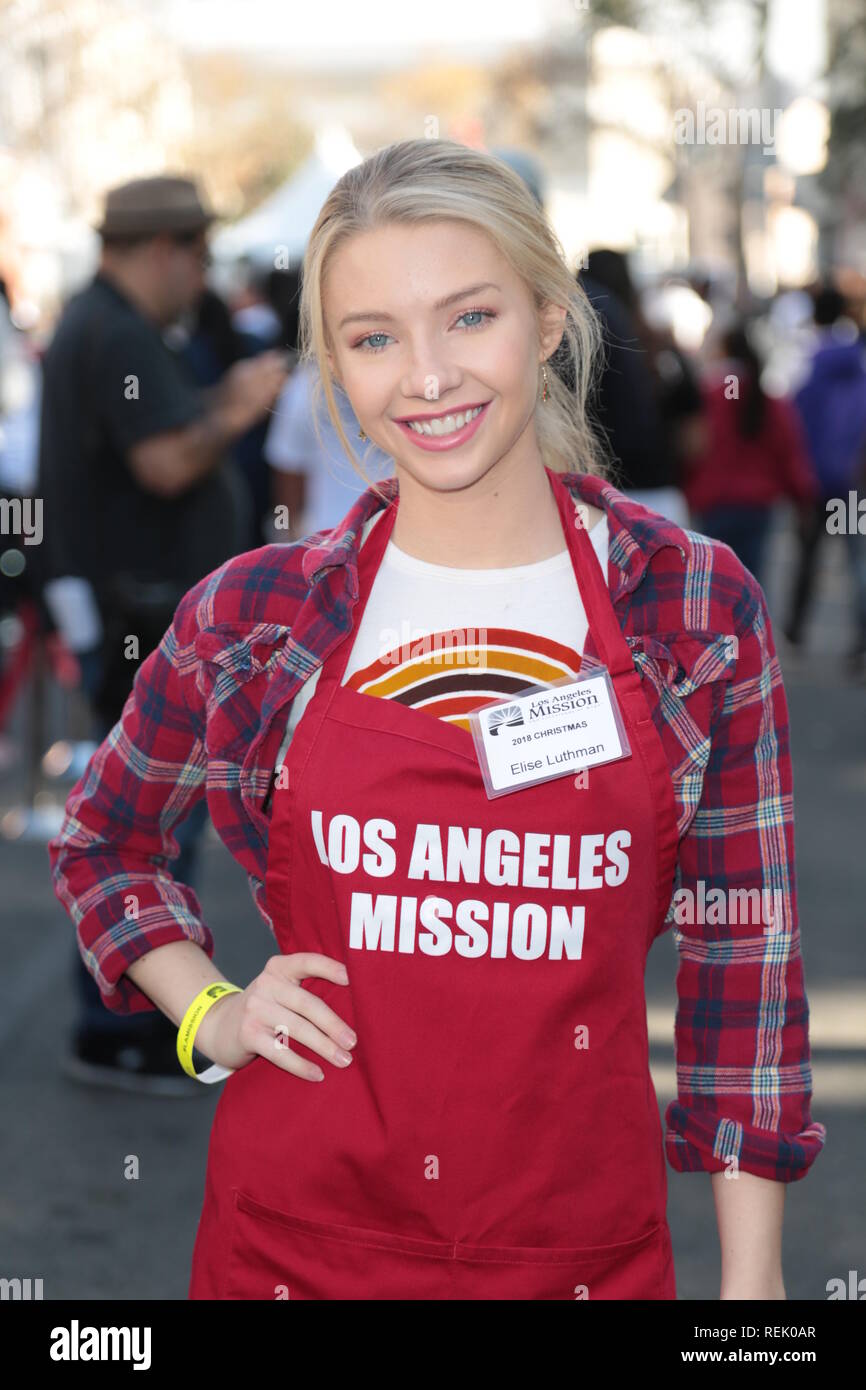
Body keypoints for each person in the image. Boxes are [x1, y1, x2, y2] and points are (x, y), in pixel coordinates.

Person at [48, 139, 824, 1300]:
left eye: (467, 318)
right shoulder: (254, 615)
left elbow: (741, 954)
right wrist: (207, 1010)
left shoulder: (688, 606)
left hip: (574, 1253)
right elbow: (105, 836)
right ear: (332, 366)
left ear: (548, 320)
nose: (425, 377)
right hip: (294, 1249)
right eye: (372, 338)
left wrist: (752, 1294)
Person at [36, 174, 288, 1092]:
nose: (204, 273)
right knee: (141, 829)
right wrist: (237, 403)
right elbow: (165, 459)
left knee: (143, 824)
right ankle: (128, 1025)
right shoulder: (114, 331)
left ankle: (126, 1022)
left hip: (134, 606)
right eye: (198, 252)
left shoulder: (104, 324)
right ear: (165, 249)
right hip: (138, 612)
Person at [683, 323, 818, 586]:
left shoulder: (708, 397)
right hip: (757, 506)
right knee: (750, 587)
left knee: (713, 588)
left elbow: (692, 451)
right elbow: (789, 453)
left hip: (714, 503)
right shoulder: (767, 400)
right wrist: (803, 496)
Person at [784, 285, 866, 668]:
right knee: (857, 560)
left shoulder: (810, 359)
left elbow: (793, 420)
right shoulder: (858, 360)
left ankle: (795, 629)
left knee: (807, 556)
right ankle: (861, 639)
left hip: (813, 479)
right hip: (853, 482)